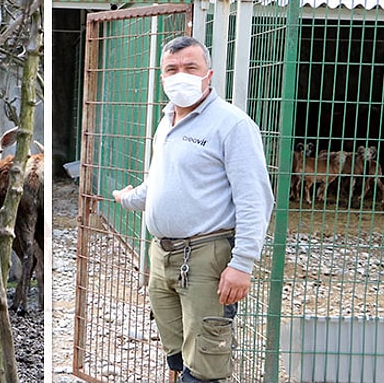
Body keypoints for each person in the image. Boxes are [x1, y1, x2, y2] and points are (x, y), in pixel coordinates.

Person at [112, 36, 274, 383]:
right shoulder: (166, 120)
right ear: (162, 77)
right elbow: (161, 180)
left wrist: (242, 264)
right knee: (176, 353)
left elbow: (255, 199)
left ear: (209, 74)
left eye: (190, 67)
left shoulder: (231, 124)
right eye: (172, 69)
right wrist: (129, 198)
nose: (180, 75)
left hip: (205, 257)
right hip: (161, 254)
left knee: (205, 364)